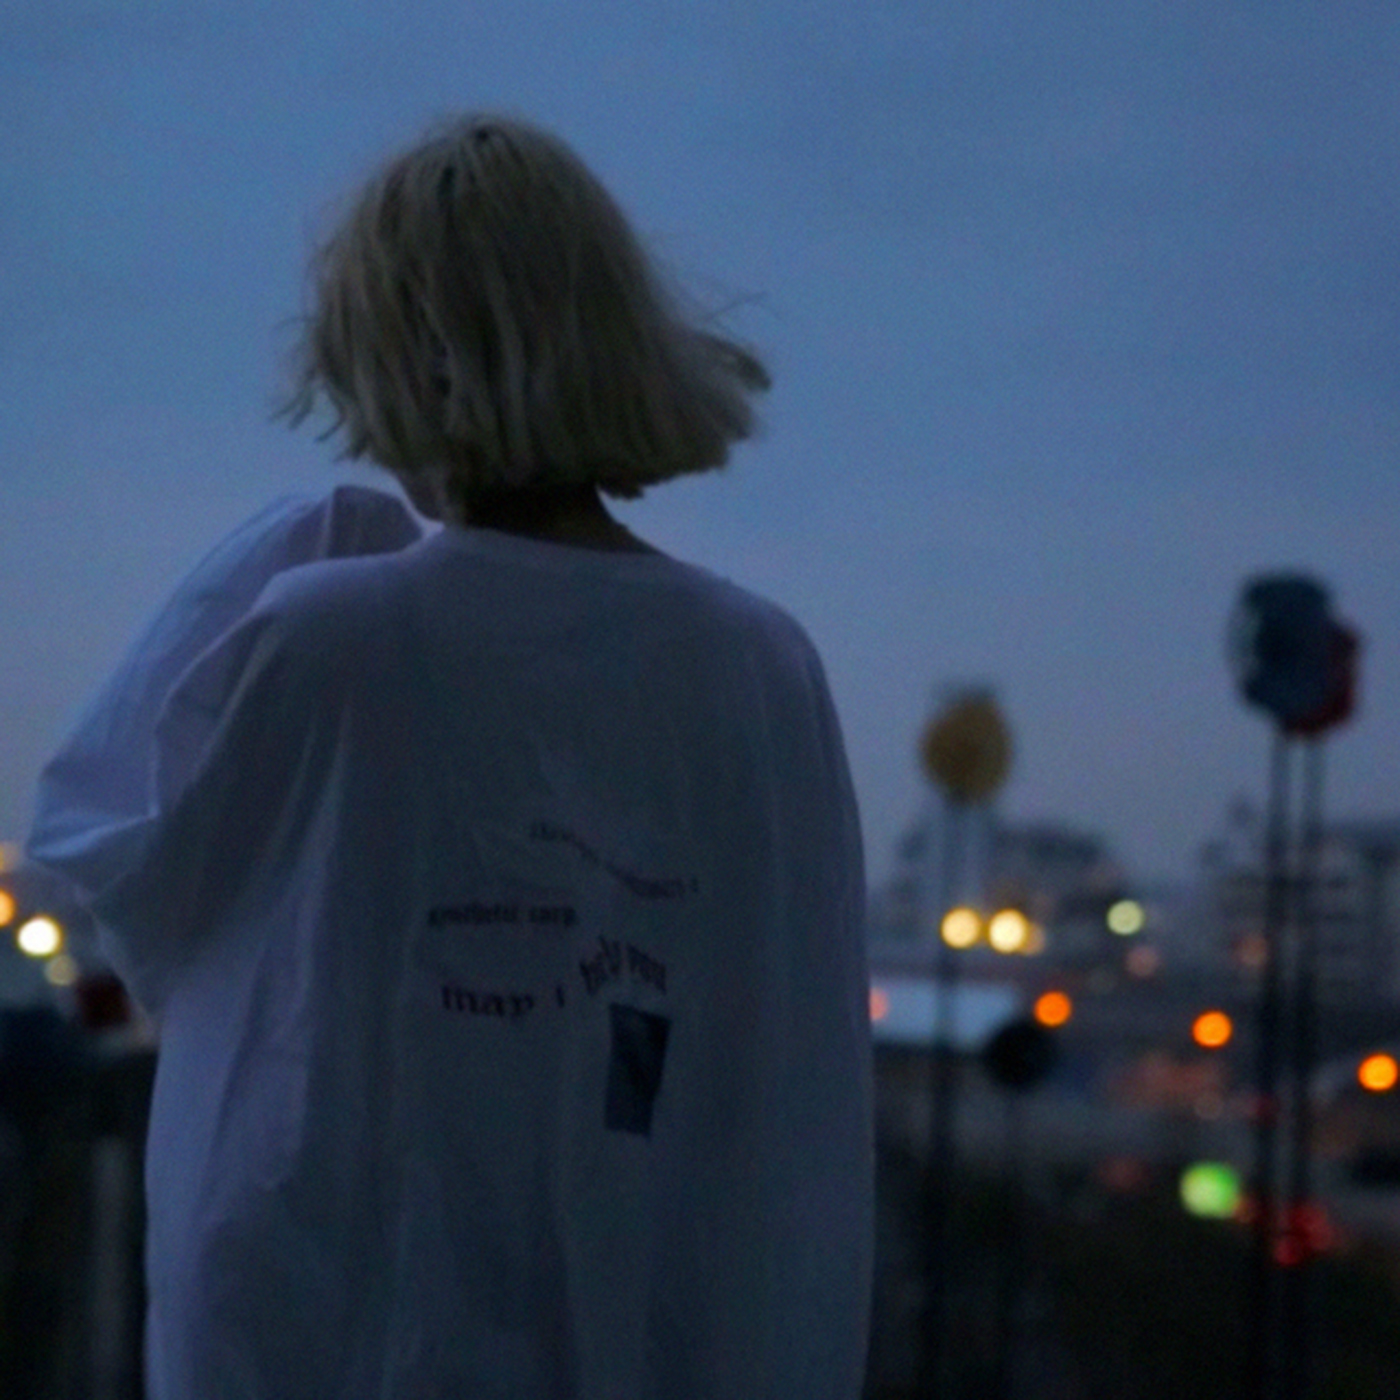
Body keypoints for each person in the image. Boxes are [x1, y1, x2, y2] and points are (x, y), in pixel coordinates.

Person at [28, 113, 873, 1399]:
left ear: (397, 355)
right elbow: (777, 1080)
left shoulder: (333, 636)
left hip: (344, 1338)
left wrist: (264, 569)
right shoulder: (761, 667)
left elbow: (124, 876)